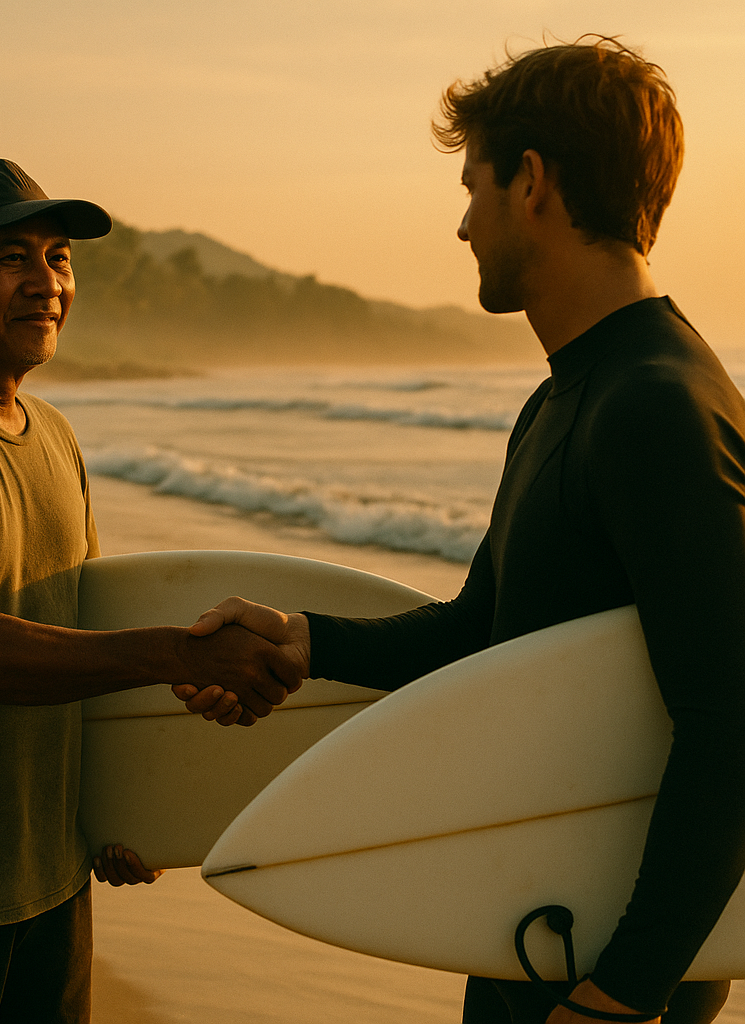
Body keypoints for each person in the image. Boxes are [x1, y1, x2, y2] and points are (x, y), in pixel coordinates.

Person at [182, 37, 745, 1024]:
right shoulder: (569, 398)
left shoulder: (654, 407)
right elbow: (484, 633)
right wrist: (304, 640)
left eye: (472, 183)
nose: (460, 223)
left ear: (532, 183)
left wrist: (626, 990)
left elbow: (730, 719)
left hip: (603, 968)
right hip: (535, 921)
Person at [0, 157, 301, 1023]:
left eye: (59, 258)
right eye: (10, 258)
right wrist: (179, 651)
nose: (47, 284)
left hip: (48, 878)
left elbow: (76, 634)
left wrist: (128, 806)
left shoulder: (52, 435)